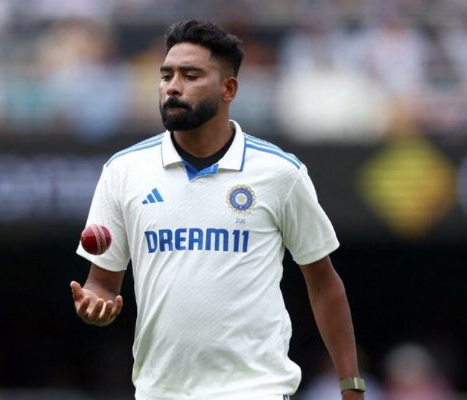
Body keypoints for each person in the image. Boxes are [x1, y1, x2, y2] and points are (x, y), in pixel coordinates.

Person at [70, 19, 365, 400]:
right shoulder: (124, 171)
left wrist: (350, 384)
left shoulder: (279, 172)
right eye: (166, 75)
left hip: (257, 389)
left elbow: (324, 283)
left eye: (191, 75)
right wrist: (96, 301)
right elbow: (102, 281)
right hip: (160, 391)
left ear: (229, 88)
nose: (173, 86)